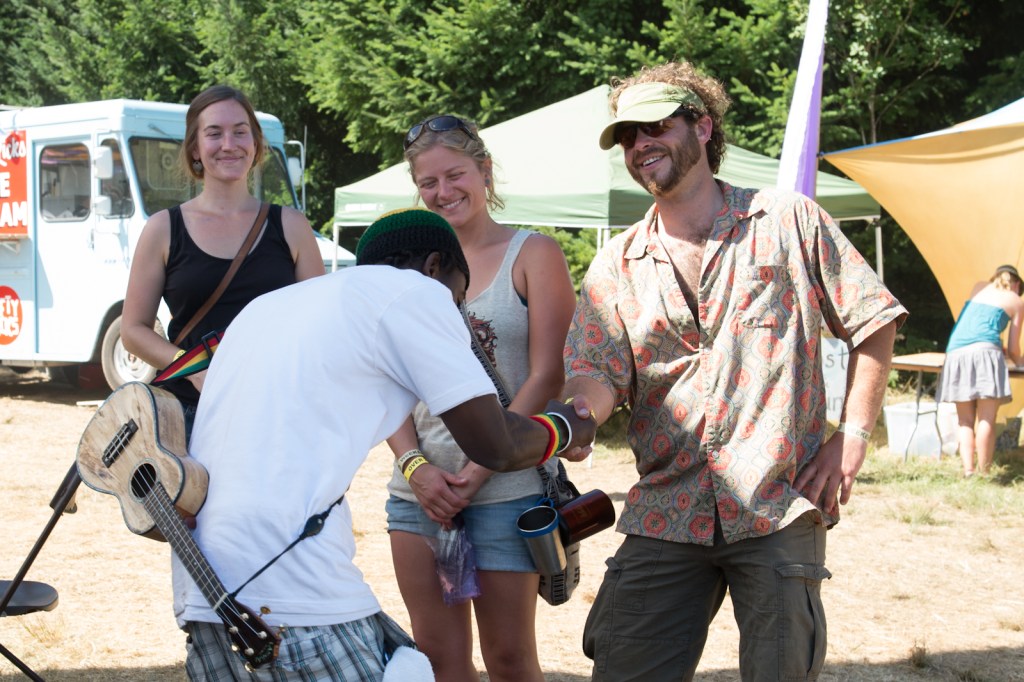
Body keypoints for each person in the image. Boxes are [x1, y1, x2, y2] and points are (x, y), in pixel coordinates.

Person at [560, 61, 908, 681]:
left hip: (776, 503)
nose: (640, 145)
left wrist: (851, 439)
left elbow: (874, 320)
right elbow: (596, 373)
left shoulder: (787, 221)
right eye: (628, 138)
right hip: (666, 508)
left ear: (702, 126)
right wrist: (576, 417)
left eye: (654, 127)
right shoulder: (616, 263)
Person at [173, 207, 596, 681]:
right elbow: (495, 444)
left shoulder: (269, 308)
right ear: (435, 268)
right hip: (293, 591)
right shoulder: (416, 293)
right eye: (458, 296)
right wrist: (565, 429)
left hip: (203, 589)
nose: (456, 313)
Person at [384, 116, 576, 682]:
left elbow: (548, 375)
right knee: (440, 660)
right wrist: (414, 466)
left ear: (484, 171)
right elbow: (387, 381)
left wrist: (479, 468)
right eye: (428, 183)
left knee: (510, 660)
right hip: (418, 494)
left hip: (507, 490)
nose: (443, 192)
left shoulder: (532, 252)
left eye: (456, 174)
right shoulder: (404, 261)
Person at [121, 84, 324, 431]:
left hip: (277, 415)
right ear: (195, 149)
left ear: (256, 145)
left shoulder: (291, 226)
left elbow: (322, 326)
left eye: (240, 132)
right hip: (190, 418)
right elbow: (133, 331)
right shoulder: (163, 229)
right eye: (214, 133)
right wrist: (194, 368)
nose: (228, 144)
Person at [936, 264, 1024, 477]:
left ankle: (968, 471)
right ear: (1017, 285)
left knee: (964, 420)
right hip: (985, 353)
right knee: (986, 418)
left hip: (956, 353)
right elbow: (1013, 349)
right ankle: (984, 473)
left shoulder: (979, 288)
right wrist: (1020, 362)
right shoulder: (1017, 301)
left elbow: (974, 325)